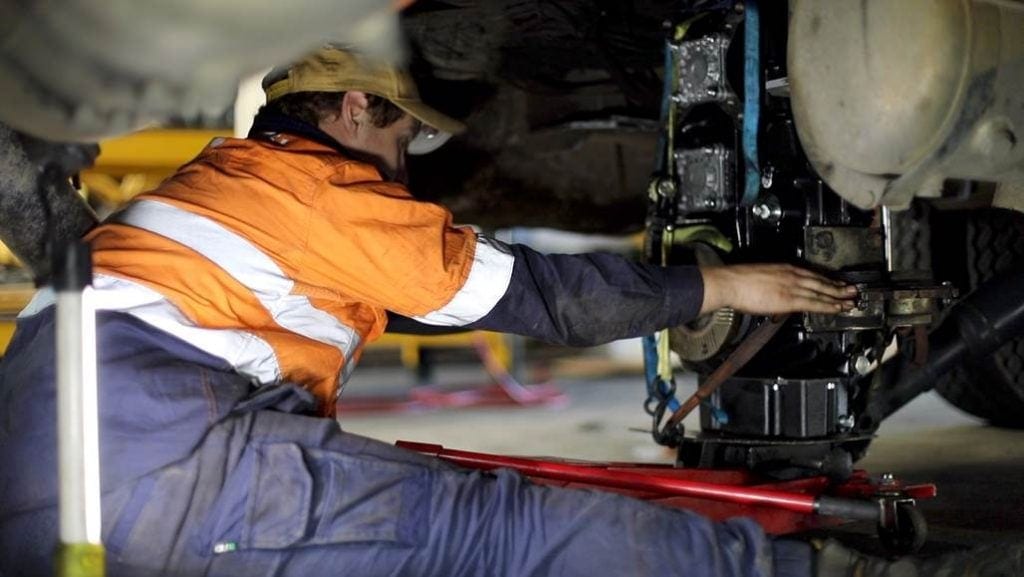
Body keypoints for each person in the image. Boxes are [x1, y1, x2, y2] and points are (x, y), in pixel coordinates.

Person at [0, 46, 1016, 577]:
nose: (411, 166)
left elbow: (410, 307)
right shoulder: (325, 189)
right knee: (502, 535)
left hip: (53, 488)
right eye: (407, 136)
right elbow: (532, 295)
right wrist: (720, 285)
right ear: (356, 111)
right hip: (163, 470)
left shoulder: (222, 182)